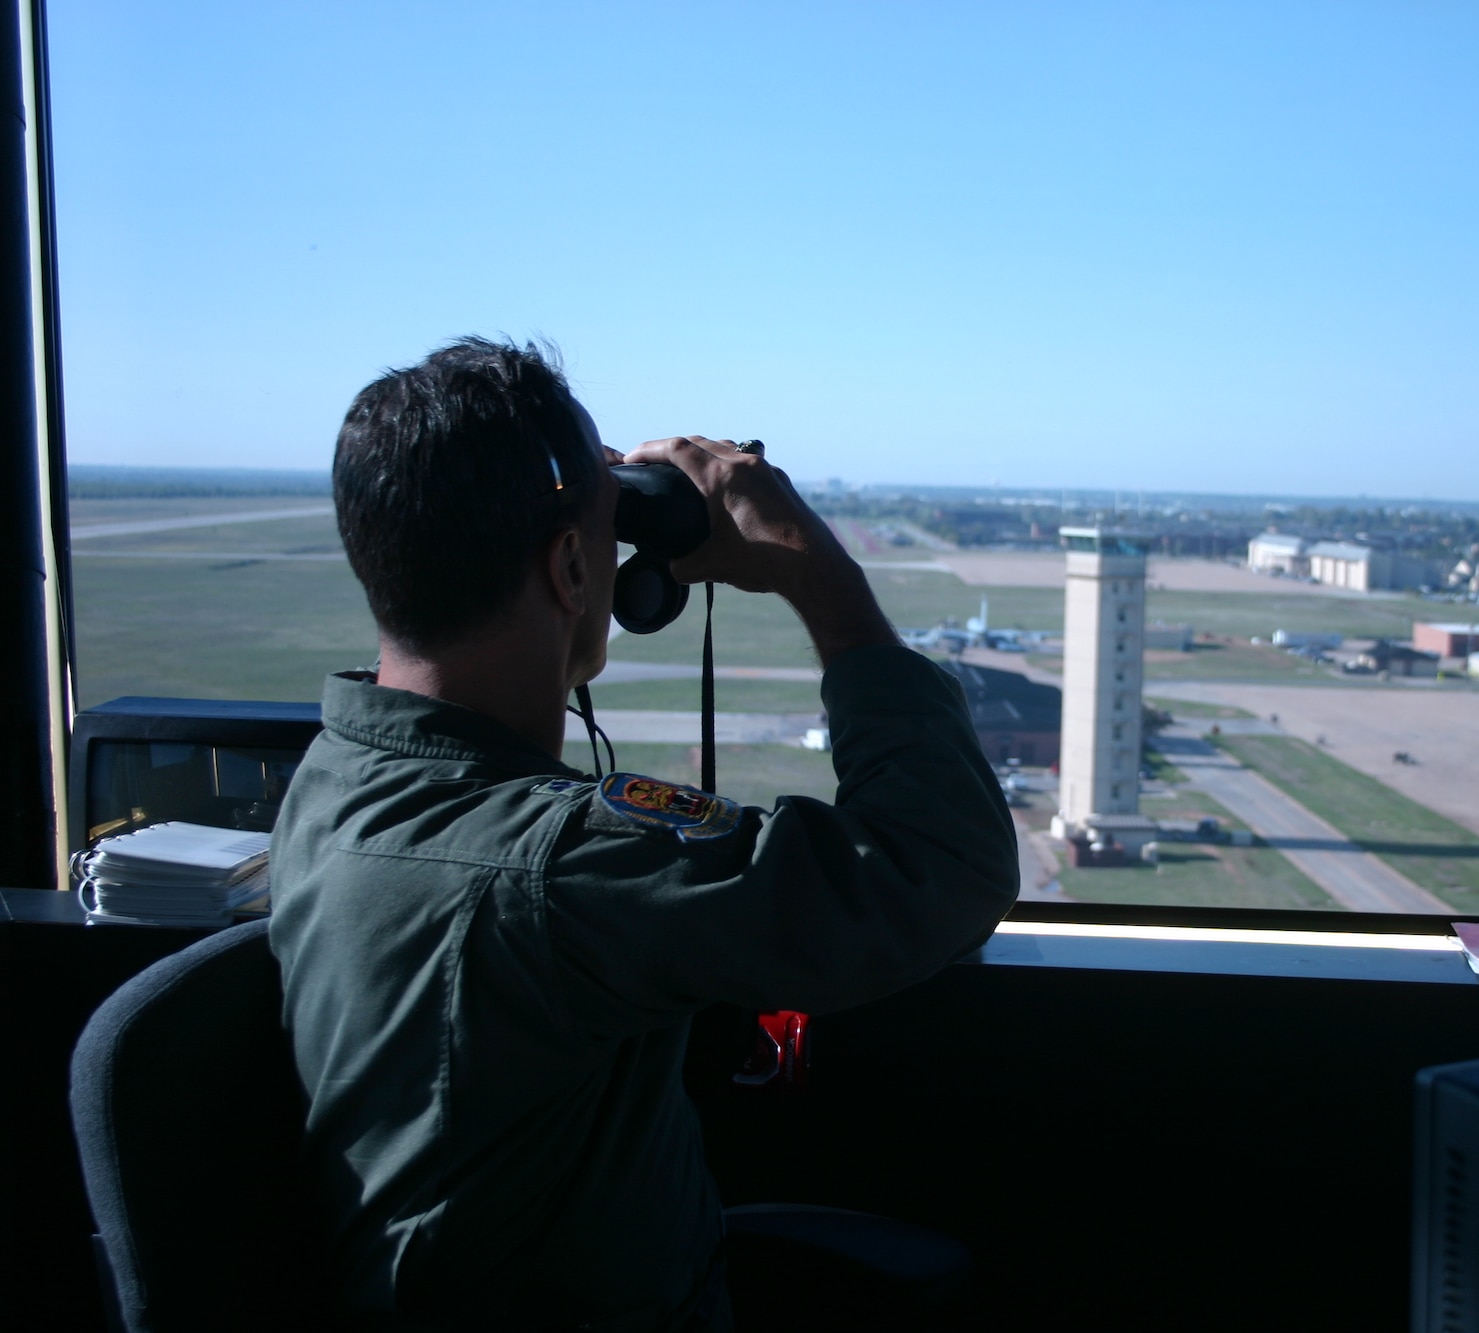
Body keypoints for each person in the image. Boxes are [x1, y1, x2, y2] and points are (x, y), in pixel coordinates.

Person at [268, 338, 1018, 1331]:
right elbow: (943, 870)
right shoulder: (552, 865)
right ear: (573, 567)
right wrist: (817, 574)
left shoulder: (334, 781)